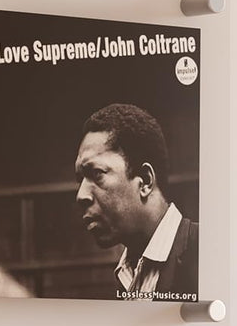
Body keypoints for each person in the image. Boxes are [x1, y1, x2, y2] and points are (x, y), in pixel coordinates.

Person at [74, 103, 198, 301]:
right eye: (79, 180)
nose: (81, 195)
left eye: (96, 174)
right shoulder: (125, 276)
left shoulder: (209, 254)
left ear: (145, 181)